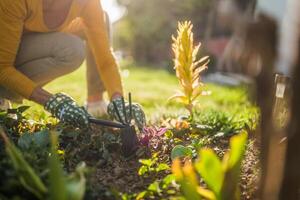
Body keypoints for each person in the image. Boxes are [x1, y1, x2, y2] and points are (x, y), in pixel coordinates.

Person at [0, 0, 145, 128]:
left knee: (101, 17)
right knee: (70, 48)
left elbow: (105, 57)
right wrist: (53, 102)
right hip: (5, 56)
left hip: (27, 45)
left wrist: (117, 98)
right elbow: (2, 68)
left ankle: (96, 104)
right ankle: (3, 94)